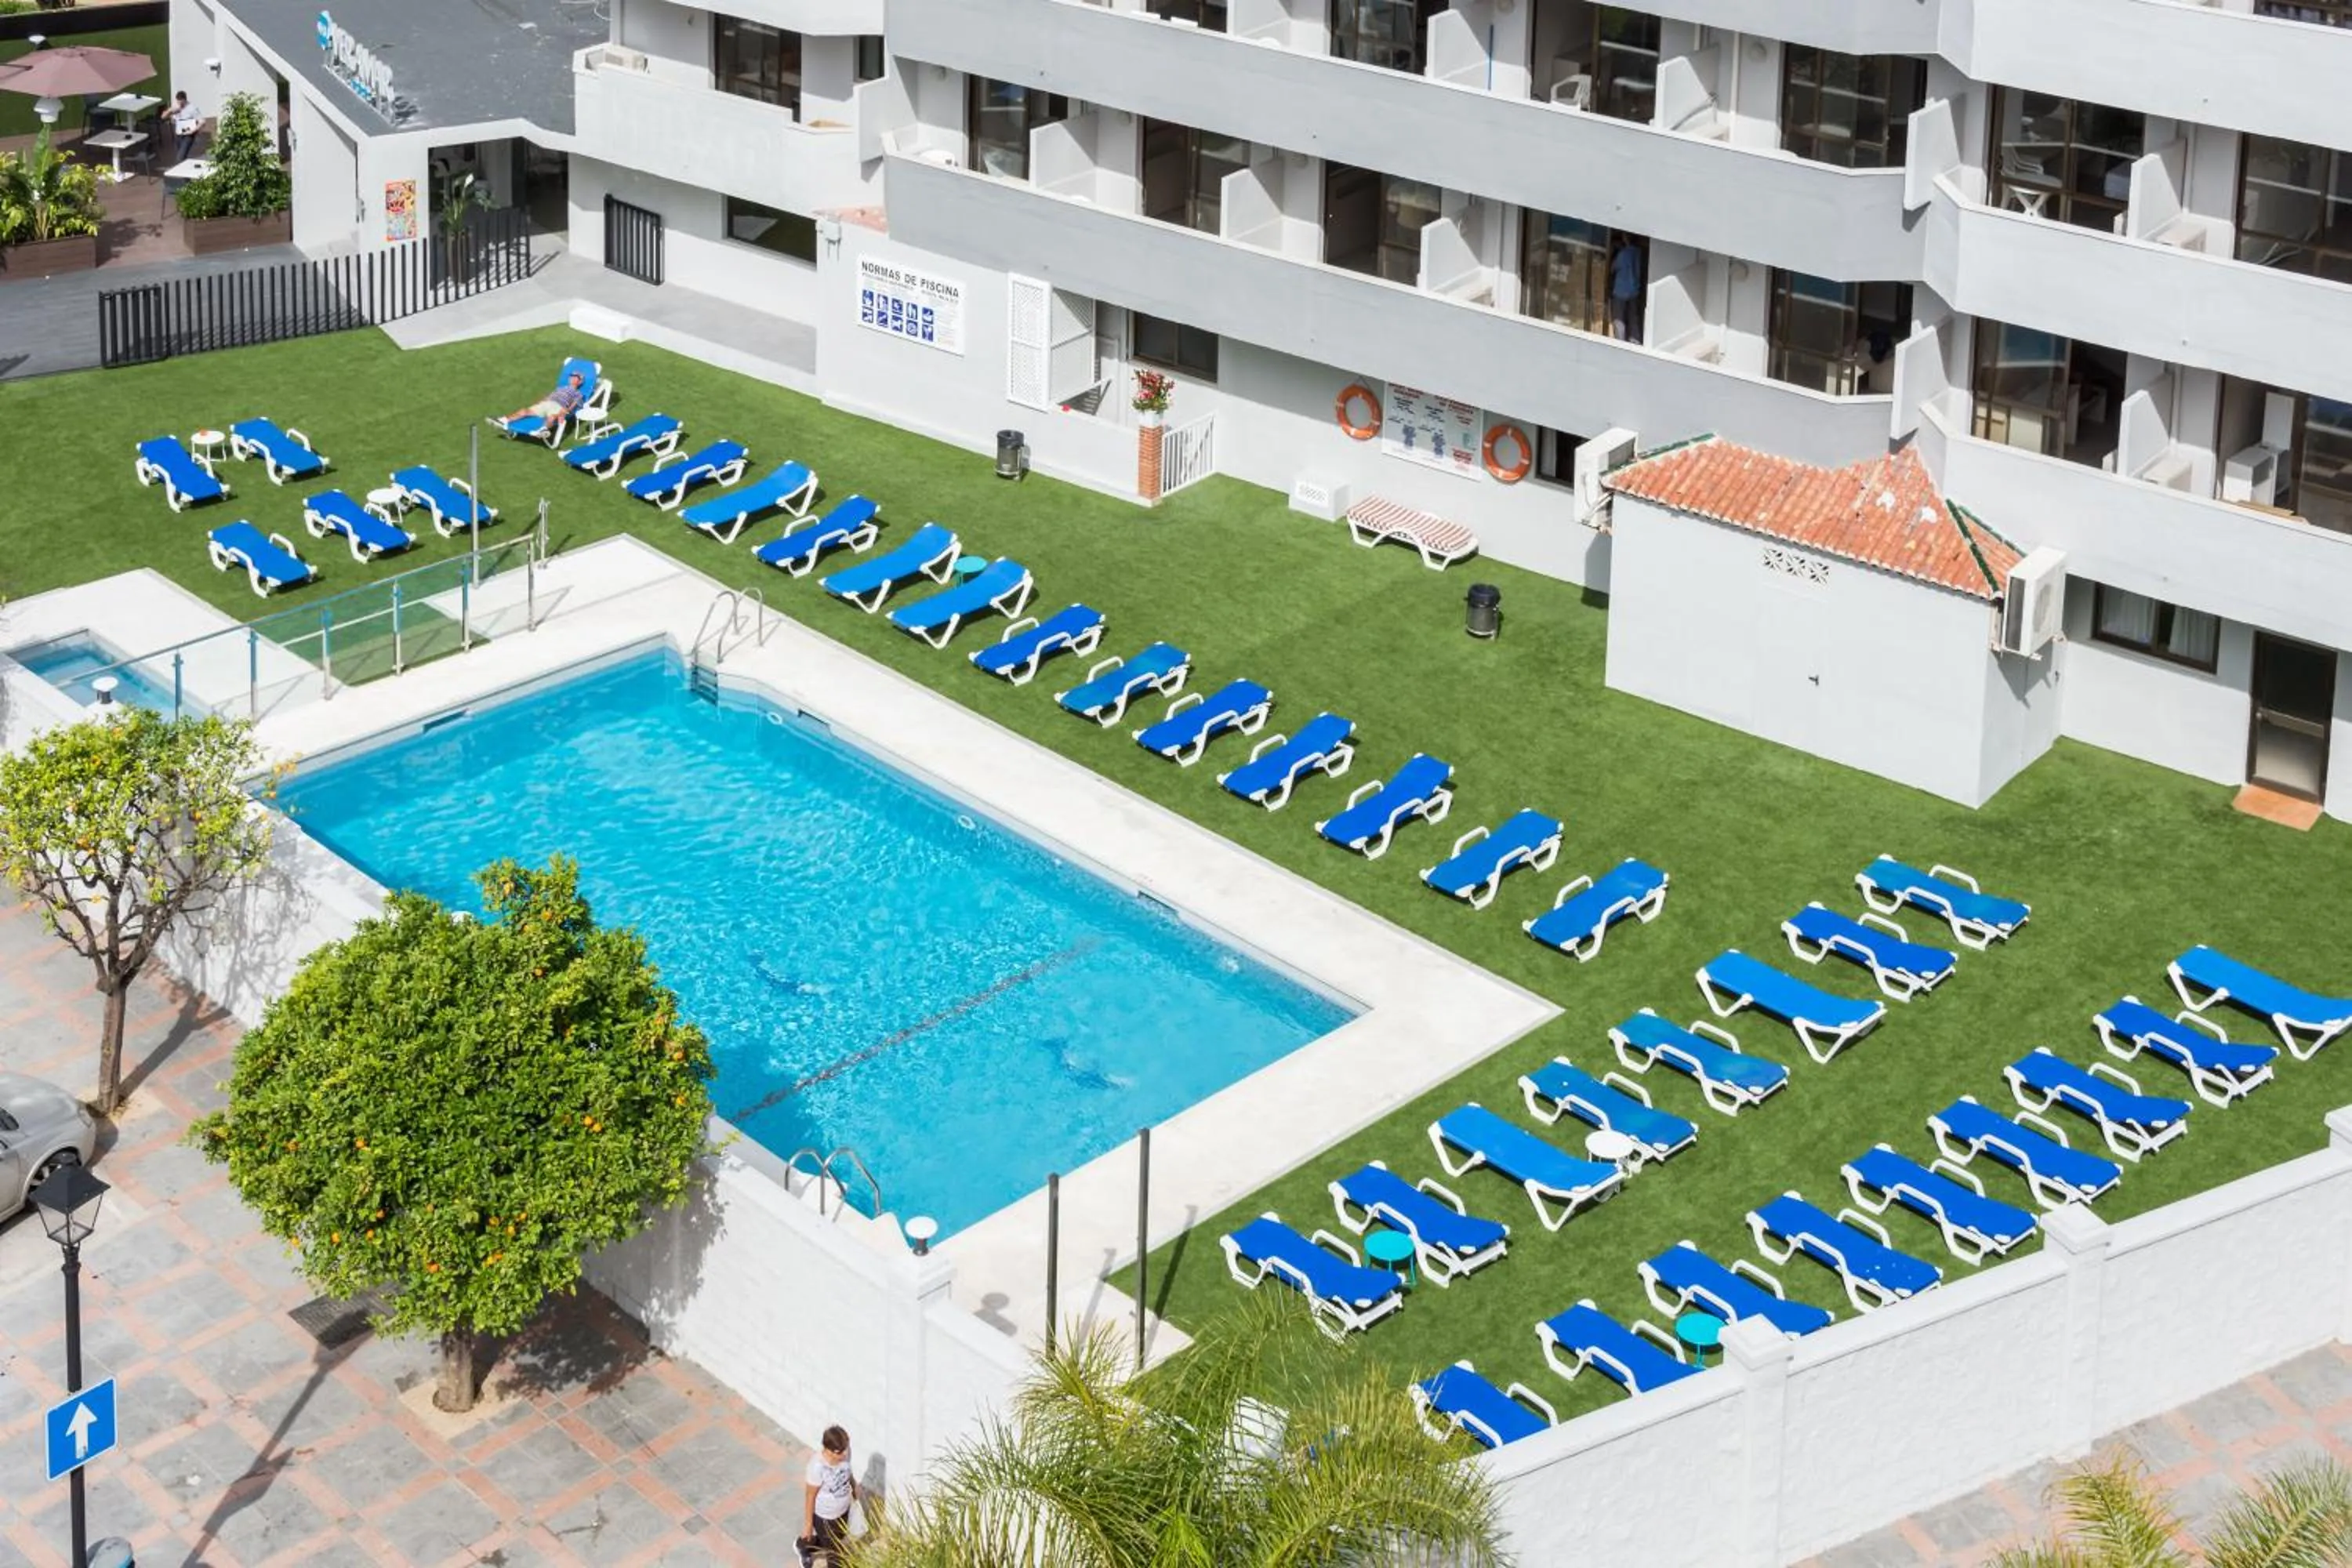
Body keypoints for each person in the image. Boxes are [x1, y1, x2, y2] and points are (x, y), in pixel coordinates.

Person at [799, 1426, 858, 1566]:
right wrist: (808, 1525)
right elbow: (810, 1496)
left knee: (836, 1539)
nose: (844, 1454)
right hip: (825, 1518)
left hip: (843, 1511)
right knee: (835, 1555)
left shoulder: (845, 1451)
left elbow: (848, 1472)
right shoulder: (817, 1467)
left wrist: (855, 1488)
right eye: (840, 1452)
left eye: (846, 1449)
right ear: (828, 1449)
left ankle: (803, 1546)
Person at [497, 370, 586, 430]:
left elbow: (573, 406)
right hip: (547, 403)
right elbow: (548, 397)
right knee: (524, 411)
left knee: (552, 417)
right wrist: (539, 402)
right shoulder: (560, 388)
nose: (572, 378)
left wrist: (566, 411)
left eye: (576, 377)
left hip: (559, 407)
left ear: (580, 382)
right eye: (571, 376)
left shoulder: (578, 393)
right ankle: (504, 420)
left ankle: (542, 431)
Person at [1608, 237, 1643, 345]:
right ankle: (1635, 340)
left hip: (1621, 290)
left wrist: (1614, 252)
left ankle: (1620, 342)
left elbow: (1613, 268)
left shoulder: (1623, 254)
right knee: (1633, 317)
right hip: (1634, 291)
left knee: (1619, 320)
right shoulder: (1638, 252)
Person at [170, 93, 201, 162]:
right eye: (178, 102)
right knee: (182, 155)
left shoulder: (192, 108)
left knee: (180, 157)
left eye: (181, 103)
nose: (180, 105)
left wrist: (194, 130)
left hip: (188, 135)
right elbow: (173, 119)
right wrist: (173, 118)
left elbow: (201, 121)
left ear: (185, 100)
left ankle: (180, 169)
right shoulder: (176, 107)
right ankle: (185, 166)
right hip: (179, 134)